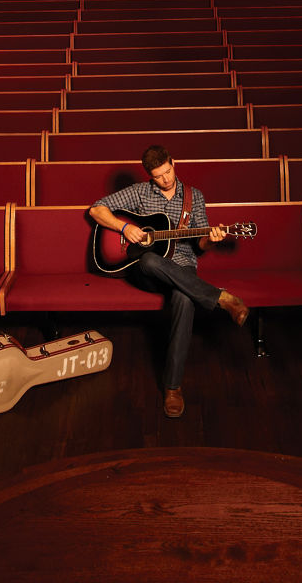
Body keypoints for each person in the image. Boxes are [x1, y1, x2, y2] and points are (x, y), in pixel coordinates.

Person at [87, 144, 249, 419]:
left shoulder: (193, 197)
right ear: (149, 176)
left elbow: (199, 245)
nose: (166, 179)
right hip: (147, 272)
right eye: (159, 176)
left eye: (168, 172)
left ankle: (172, 387)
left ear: (173, 162)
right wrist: (125, 227)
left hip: (183, 266)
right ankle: (220, 298)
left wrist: (212, 238)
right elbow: (96, 210)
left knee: (185, 299)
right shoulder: (140, 192)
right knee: (149, 260)